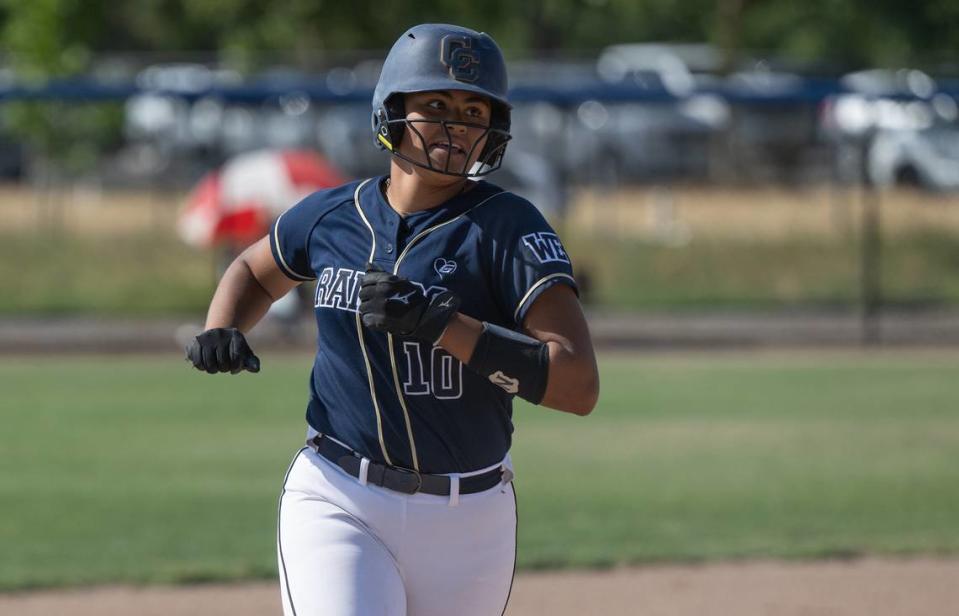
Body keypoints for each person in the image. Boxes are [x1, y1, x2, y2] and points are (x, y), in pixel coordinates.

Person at [186, 23, 599, 616]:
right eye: (435, 104)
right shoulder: (333, 214)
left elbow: (578, 385)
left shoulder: (509, 228)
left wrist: (444, 325)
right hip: (339, 497)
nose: (456, 125)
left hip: (472, 519)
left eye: (473, 110)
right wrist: (222, 326)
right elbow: (254, 269)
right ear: (393, 111)